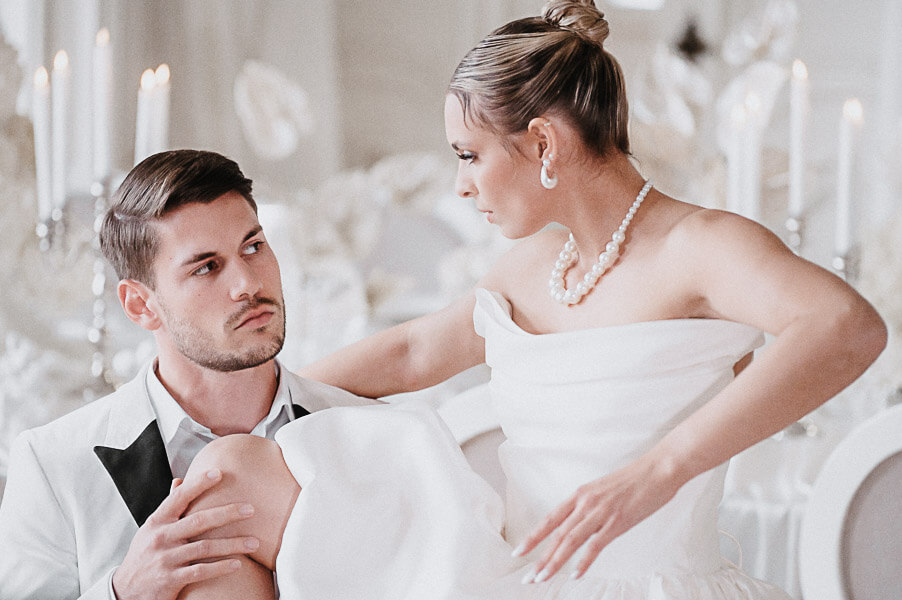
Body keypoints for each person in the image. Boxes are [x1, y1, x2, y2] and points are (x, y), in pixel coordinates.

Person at [176, 1, 887, 598]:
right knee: (232, 473)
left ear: (543, 143)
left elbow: (846, 327)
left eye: (468, 155)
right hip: (515, 577)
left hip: (654, 586)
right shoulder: (532, 266)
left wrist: (660, 471)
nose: (461, 183)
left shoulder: (701, 244)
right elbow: (415, 349)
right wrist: (250, 411)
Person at [0, 150, 375, 600]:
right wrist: (124, 592)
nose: (247, 285)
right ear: (141, 304)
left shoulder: (363, 427)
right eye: (207, 267)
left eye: (253, 247)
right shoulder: (52, 464)